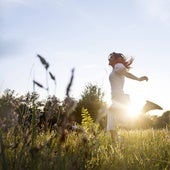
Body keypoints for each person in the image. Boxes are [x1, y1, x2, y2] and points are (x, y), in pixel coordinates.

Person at [107, 52, 148, 141]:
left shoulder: (118, 66)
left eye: (111, 57)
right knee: (111, 125)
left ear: (116, 60)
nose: (109, 58)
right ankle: (117, 142)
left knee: (124, 121)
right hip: (116, 99)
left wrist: (138, 79)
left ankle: (146, 107)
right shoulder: (115, 69)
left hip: (120, 99)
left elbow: (126, 73)